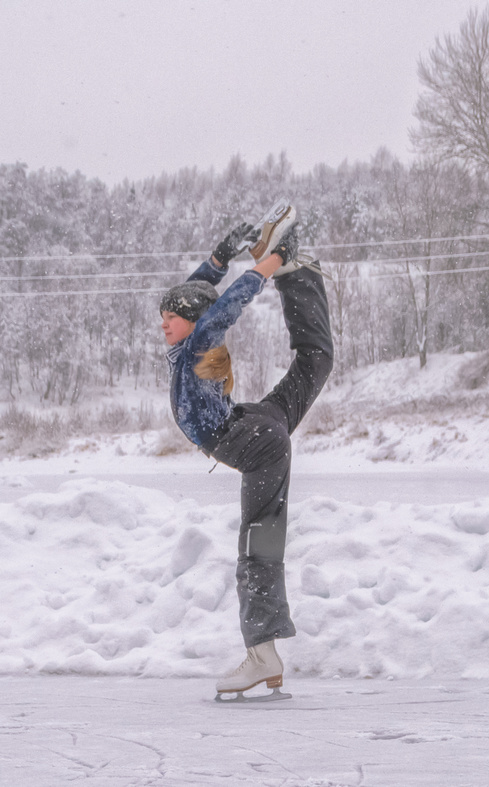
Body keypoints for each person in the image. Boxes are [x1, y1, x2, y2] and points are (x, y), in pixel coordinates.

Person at [159, 204, 334, 699]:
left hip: (256, 445)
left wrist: (268, 263)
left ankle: (262, 656)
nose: (164, 323)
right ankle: (301, 274)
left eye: (171, 317)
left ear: (192, 322)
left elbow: (228, 303)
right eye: (163, 316)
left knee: (258, 546)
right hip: (251, 424)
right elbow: (199, 292)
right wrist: (219, 257)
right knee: (315, 361)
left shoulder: (199, 340)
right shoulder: (184, 342)